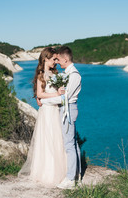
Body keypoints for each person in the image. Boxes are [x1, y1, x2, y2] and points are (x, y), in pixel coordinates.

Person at [18, 47, 67, 186]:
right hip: (47, 112)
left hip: (55, 110)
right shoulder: (41, 74)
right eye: (53, 59)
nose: (55, 62)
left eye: (56, 60)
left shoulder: (54, 73)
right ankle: (46, 172)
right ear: (45, 58)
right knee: (47, 139)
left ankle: (58, 170)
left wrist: (61, 91)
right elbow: (40, 94)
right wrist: (57, 95)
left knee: (56, 139)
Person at [40, 46, 82, 189]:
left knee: (69, 145)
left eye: (59, 59)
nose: (57, 62)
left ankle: (71, 179)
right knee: (72, 143)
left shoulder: (74, 75)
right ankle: (76, 174)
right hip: (65, 109)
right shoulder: (67, 74)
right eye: (55, 60)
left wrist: (43, 101)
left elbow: (64, 98)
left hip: (68, 109)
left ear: (65, 59)